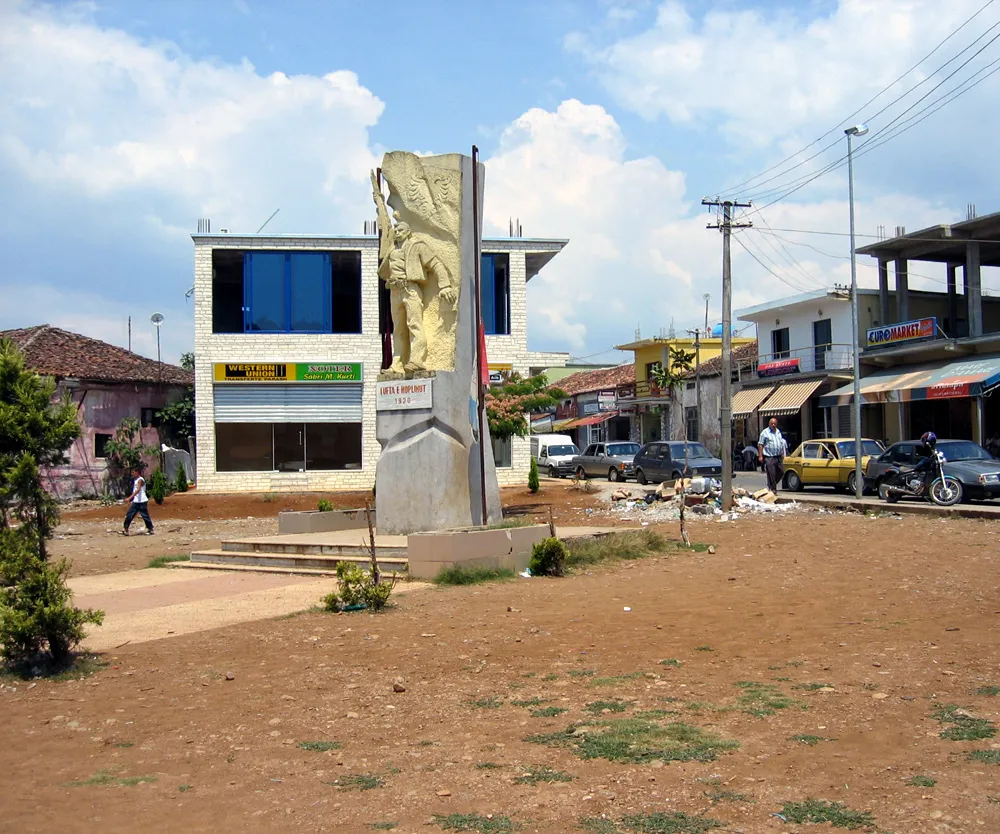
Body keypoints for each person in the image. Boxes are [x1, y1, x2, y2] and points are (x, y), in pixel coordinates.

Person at [122, 467, 154, 536]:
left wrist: (129, 498)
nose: (132, 473)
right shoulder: (135, 480)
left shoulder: (140, 480)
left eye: (133, 472)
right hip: (136, 501)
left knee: (144, 515)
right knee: (129, 515)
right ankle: (126, 529)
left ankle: (150, 529)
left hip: (142, 501)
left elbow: (138, 490)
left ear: (137, 472)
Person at [757, 417, 786, 492]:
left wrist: (782, 453)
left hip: (778, 456)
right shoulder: (765, 432)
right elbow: (760, 444)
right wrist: (760, 456)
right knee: (771, 473)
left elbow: (780, 443)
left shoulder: (778, 432)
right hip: (769, 456)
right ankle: (773, 490)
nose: (773, 425)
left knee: (781, 471)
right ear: (769, 424)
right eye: (772, 423)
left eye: (775, 424)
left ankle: (771, 484)